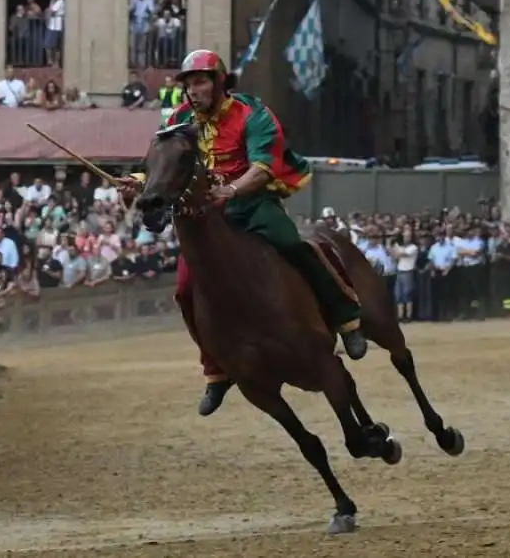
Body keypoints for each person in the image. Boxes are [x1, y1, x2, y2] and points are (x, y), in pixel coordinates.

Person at [117, 49, 367, 417]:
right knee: (186, 291)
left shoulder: (252, 114)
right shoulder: (179, 119)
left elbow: (264, 168)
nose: (193, 90)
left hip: (252, 205)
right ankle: (216, 371)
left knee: (293, 244)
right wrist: (137, 182)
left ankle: (347, 319)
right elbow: (161, 164)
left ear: (219, 82)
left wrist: (230, 191)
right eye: (188, 84)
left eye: (200, 81)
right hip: (205, 217)